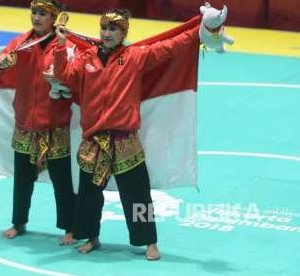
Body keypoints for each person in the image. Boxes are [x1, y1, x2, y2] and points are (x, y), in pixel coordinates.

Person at [53, 8, 203, 260]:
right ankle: (92, 236)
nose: (107, 33)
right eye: (104, 28)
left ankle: (150, 242)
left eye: (113, 29)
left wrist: (198, 32)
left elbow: (170, 46)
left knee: (137, 195)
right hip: (94, 140)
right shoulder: (86, 57)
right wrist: (59, 48)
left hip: (124, 141)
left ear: (124, 32)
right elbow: (64, 77)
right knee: (88, 195)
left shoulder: (135, 56)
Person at [0, 0, 77, 245]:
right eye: (34, 13)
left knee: (61, 181)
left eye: (42, 14)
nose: (36, 18)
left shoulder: (66, 44)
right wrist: (0, 66)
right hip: (26, 123)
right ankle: (18, 222)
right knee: (22, 180)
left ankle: (69, 227)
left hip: (55, 123)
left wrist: (60, 80)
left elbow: (78, 78)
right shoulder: (20, 44)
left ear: (54, 18)